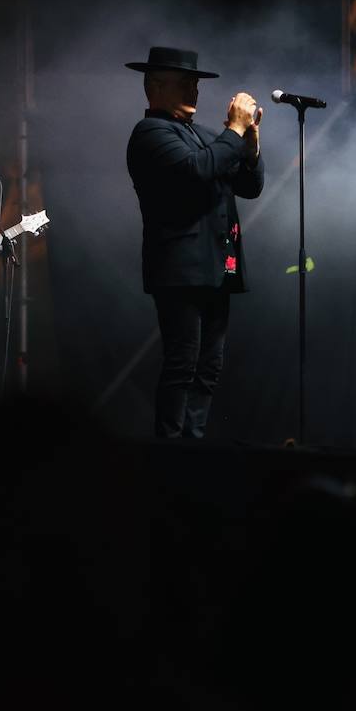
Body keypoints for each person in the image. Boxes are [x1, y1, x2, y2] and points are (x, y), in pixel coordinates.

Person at [126, 46, 265, 439]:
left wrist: (250, 143)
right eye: (185, 83)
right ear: (155, 86)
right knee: (182, 364)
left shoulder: (205, 135)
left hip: (217, 266)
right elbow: (196, 171)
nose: (194, 90)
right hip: (180, 269)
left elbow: (249, 186)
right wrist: (234, 132)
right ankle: (170, 450)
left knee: (209, 367)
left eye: (196, 83)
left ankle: (195, 444)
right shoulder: (150, 132)